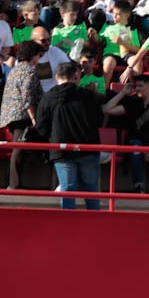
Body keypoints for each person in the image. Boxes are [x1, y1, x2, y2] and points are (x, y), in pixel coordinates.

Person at [35, 61, 106, 208]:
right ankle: (95, 220)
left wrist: (53, 137)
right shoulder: (88, 95)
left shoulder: (48, 97)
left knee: (67, 188)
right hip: (88, 148)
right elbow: (99, 120)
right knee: (91, 189)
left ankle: (67, 220)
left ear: (57, 77)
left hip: (62, 150)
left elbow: (41, 127)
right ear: (75, 77)